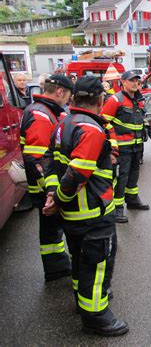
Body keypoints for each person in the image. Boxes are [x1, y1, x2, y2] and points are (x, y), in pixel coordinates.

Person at [42, 76, 128, 336]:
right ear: (100, 100)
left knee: (80, 258)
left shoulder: (63, 123)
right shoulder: (90, 128)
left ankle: (83, 298)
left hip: (74, 214)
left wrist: (51, 193)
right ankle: (95, 317)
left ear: (74, 97)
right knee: (97, 261)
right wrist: (57, 199)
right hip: (91, 213)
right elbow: (77, 174)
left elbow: (49, 161)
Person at [20, 74, 73, 281]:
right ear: (60, 91)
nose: (68, 101)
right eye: (68, 96)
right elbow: (39, 159)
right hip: (45, 187)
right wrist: (52, 192)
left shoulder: (41, 111)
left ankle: (56, 264)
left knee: (51, 228)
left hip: (45, 186)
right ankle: (56, 267)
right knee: (52, 226)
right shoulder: (42, 115)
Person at [101, 70, 151, 224]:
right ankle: (117, 209)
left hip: (137, 146)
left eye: (137, 80)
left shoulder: (138, 99)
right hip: (122, 147)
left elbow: (140, 118)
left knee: (133, 176)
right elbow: (104, 121)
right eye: (131, 80)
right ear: (123, 82)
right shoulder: (115, 100)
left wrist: (146, 126)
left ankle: (133, 200)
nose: (135, 83)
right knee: (121, 178)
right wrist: (114, 142)